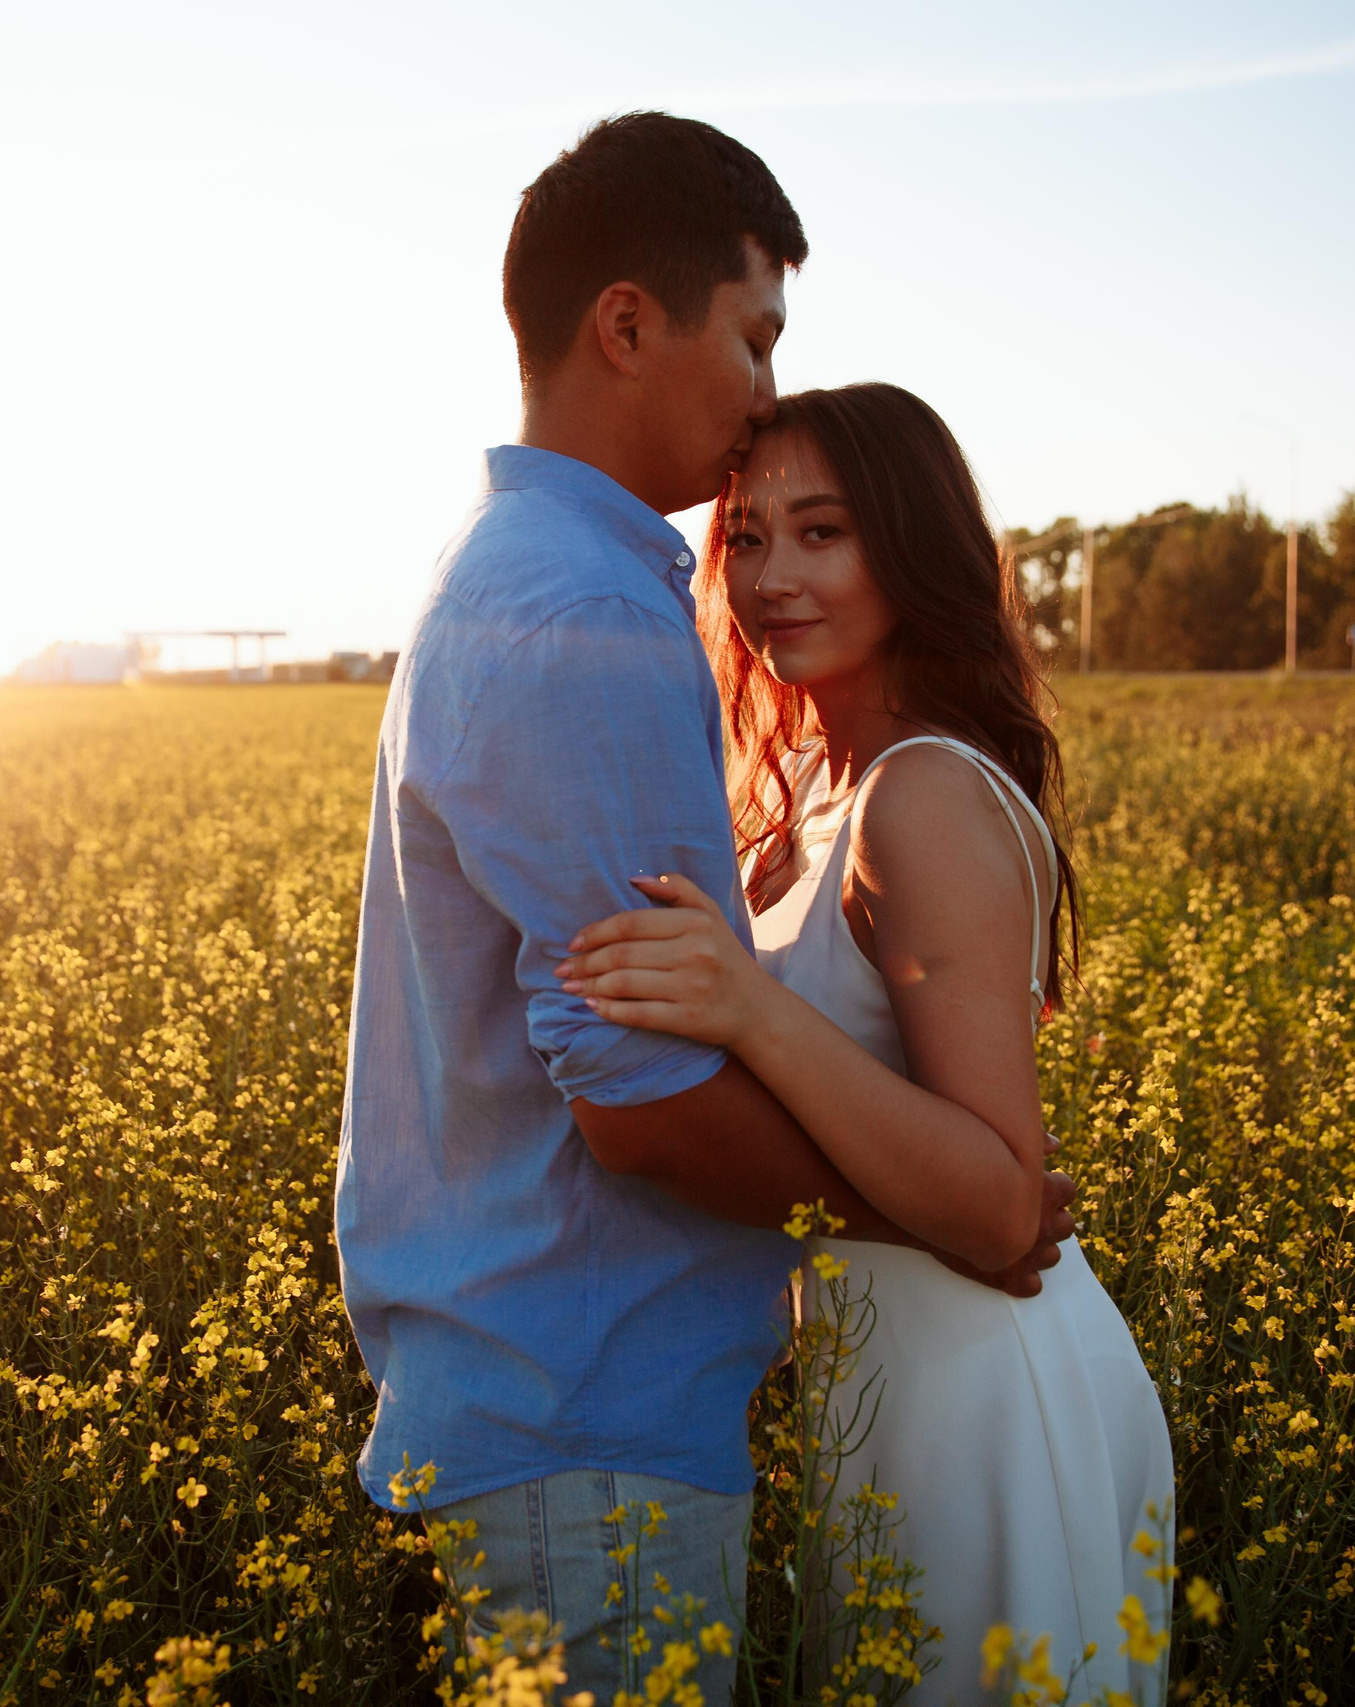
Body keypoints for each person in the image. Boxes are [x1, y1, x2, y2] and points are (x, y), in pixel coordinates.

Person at [333, 117, 1075, 1706]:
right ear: (625, 325)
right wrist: (963, 1218)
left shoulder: (517, 565)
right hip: (588, 1413)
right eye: (753, 336)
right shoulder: (588, 603)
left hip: (595, 1407)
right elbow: (646, 1104)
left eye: (822, 530)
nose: (758, 393)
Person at [558, 382, 1176, 1704]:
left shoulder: (924, 794)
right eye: (747, 539)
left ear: (911, 546)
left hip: (981, 1384)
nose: (772, 576)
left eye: (821, 533)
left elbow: (1005, 1195)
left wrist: (749, 1007)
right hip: (886, 1380)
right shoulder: (829, 784)